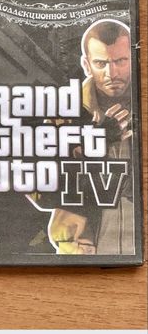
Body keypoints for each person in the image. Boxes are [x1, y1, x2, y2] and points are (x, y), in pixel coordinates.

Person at [48, 21, 134, 255]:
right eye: (101, 63)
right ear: (86, 65)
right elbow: (37, 185)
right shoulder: (65, 111)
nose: (112, 74)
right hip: (83, 248)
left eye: (120, 61)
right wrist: (94, 143)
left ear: (133, 58)